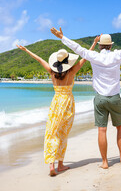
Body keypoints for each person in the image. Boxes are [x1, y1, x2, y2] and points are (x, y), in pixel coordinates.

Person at [51, 27, 121, 169]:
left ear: (100, 46)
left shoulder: (94, 56)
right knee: (120, 127)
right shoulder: (118, 55)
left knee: (101, 130)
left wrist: (62, 37)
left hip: (100, 99)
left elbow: (77, 48)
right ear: (111, 45)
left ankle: (104, 162)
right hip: (115, 98)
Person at [16, 36, 99, 176]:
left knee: (52, 133)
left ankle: (51, 165)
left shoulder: (51, 72)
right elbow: (85, 57)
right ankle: (60, 165)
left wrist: (26, 50)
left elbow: (38, 59)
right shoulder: (72, 72)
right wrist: (94, 43)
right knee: (62, 134)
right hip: (68, 104)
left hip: (56, 104)